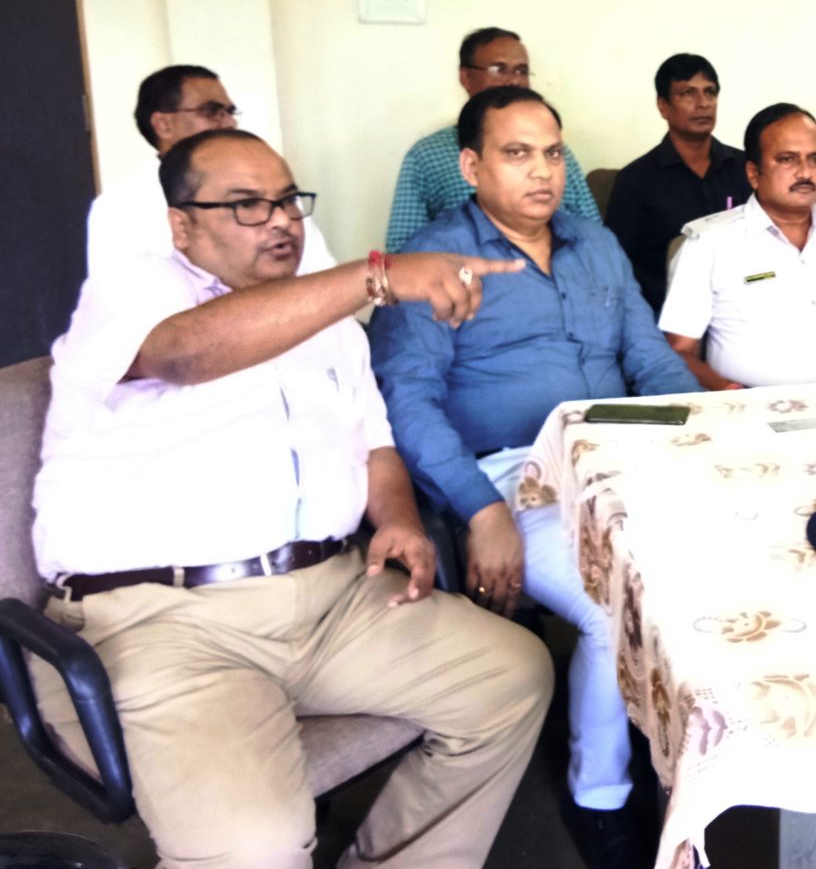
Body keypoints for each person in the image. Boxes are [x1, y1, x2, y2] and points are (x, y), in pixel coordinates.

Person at [31, 128, 550, 867]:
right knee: (256, 845)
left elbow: (375, 443)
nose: (279, 221)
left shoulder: (327, 324)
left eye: (286, 201)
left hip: (332, 598)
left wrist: (399, 519)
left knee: (513, 677)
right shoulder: (132, 290)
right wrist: (375, 277)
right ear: (182, 224)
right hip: (166, 622)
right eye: (246, 205)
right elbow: (181, 354)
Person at [371, 85, 699, 869]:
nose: (543, 172)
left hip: (622, 454)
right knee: (612, 605)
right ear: (471, 166)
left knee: (723, 561)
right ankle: (600, 798)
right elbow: (407, 405)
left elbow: (649, 358)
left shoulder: (595, 243)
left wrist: (702, 436)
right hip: (513, 473)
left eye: (553, 153)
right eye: (517, 154)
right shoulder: (430, 264)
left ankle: (694, 756)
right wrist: (481, 510)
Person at [660, 102, 816, 390]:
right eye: (787, 159)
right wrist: (728, 393)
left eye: (815, 159)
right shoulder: (709, 244)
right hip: (753, 407)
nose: (805, 172)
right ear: (753, 173)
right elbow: (679, 352)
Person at [86, 64, 335, 275]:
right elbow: (124, 301)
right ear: (163, 125)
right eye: (212, 112)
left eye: (230, 112)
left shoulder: (273, 189)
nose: (229, 122)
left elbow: (319, 276)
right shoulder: (120, 207)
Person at [385, 26, 600, 251]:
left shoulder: (553, 151)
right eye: (498, 69)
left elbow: (592, 232)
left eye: (521, 71)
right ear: (466, 77)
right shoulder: (427, 156)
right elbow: (401, 251)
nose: (513, 81)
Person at [604, 52, 751, 311]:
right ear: (663, 106)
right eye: (687, 93)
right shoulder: (635, 181)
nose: (703, 103)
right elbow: (618, 267)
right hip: (667, 310)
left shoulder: (745, 168)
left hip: (742, 305)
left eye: (710, 92)